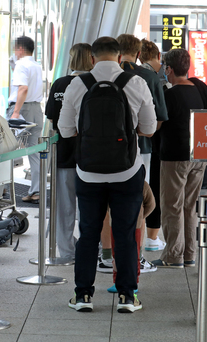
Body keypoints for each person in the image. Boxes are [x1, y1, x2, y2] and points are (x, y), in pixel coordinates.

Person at [59, 36, 157, 314]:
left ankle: (82, 296)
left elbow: (66, 131)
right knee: (125, 233)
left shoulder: (77, 84)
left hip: (88, 173)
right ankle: (127, 297)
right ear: (120, 58)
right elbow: (149, 129)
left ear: (92, 58)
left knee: (88, 232)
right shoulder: (136, 83)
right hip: (127, 171)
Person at [153, 48, 207, 269]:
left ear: (169, 69)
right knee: (189, 205)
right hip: (198, 155)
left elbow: (156, 126)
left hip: (174, 156)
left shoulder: (169, 95)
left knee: (172, 205)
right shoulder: (198, 89)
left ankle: (173, 255)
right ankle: (189, 254)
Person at [118, 34, 167, 255]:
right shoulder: (148, 77)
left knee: (109, 200)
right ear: (139, 54)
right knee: (138, 197)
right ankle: (134, 251)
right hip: (142, 148)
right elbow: (159, 118)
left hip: (102, 151)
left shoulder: (101, 76)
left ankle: (108, 250)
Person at [45, 43, 93, 262]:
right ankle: (90, 248)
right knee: (90, 206)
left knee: (64, 207)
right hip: (91, 155)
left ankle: (66, 251)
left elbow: (52, 121)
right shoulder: (96, 84)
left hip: (63, 152)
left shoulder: (60, 84)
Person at [6, 36, 44, 203]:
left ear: (20, 49)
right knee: (34, 151)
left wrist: (16, 112)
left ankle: (3, 189)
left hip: (23, 110)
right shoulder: (36, 65)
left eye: (15, 49)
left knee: (5, 147)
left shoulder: (22, 64)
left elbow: (23, 88)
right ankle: (36, 191)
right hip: (36, 109)